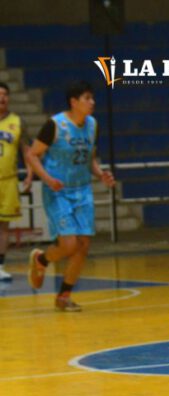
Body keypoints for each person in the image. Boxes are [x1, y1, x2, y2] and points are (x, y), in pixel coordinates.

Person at [23, 80, 114, 310]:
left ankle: (64, 295)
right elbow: (32, 155)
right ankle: (41, 259)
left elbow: (89, 158)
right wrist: (47, 179)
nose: (92, 102)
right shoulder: (55, 125)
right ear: (74, 102)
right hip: (58, 191)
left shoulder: (92, 124)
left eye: (92, 98)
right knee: (69, 244)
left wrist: (100, 174)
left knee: (83, 245)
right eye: (87, 98)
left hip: (82, 190)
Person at [0, 81, 33, 281]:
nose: (2, 98)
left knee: (3, 227)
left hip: (8, 180)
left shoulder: (17, 121)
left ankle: (0, 266)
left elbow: (27, 151)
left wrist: (30, 174)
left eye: (5, 94)